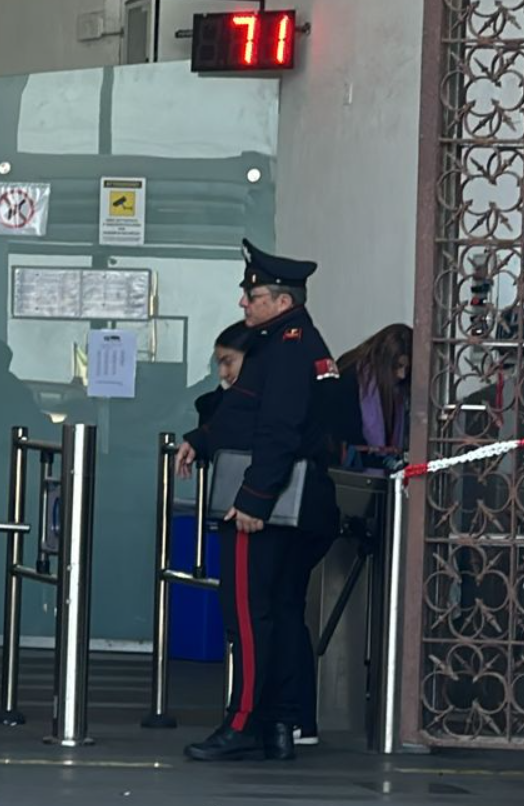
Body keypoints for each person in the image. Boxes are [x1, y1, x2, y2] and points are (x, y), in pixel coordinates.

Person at [176, 240, 341, 763]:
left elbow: (277, 430)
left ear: (282, 301)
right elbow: (242, 414)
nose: (243, 304)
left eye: (252, 295)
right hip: (287, 501)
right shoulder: (281, 343)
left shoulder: (287, 348)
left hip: (265, 507)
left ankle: (244, 721)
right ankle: (277, 725)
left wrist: (253, 500)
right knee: (278, 612)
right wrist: (201, 440)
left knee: (246, 614)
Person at [333, 323, 412, 470]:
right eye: (397, 366)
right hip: (352, 470)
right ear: (384, 359)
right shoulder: (351, 376)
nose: (402, 375)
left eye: (407, 368)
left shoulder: (399, 385)